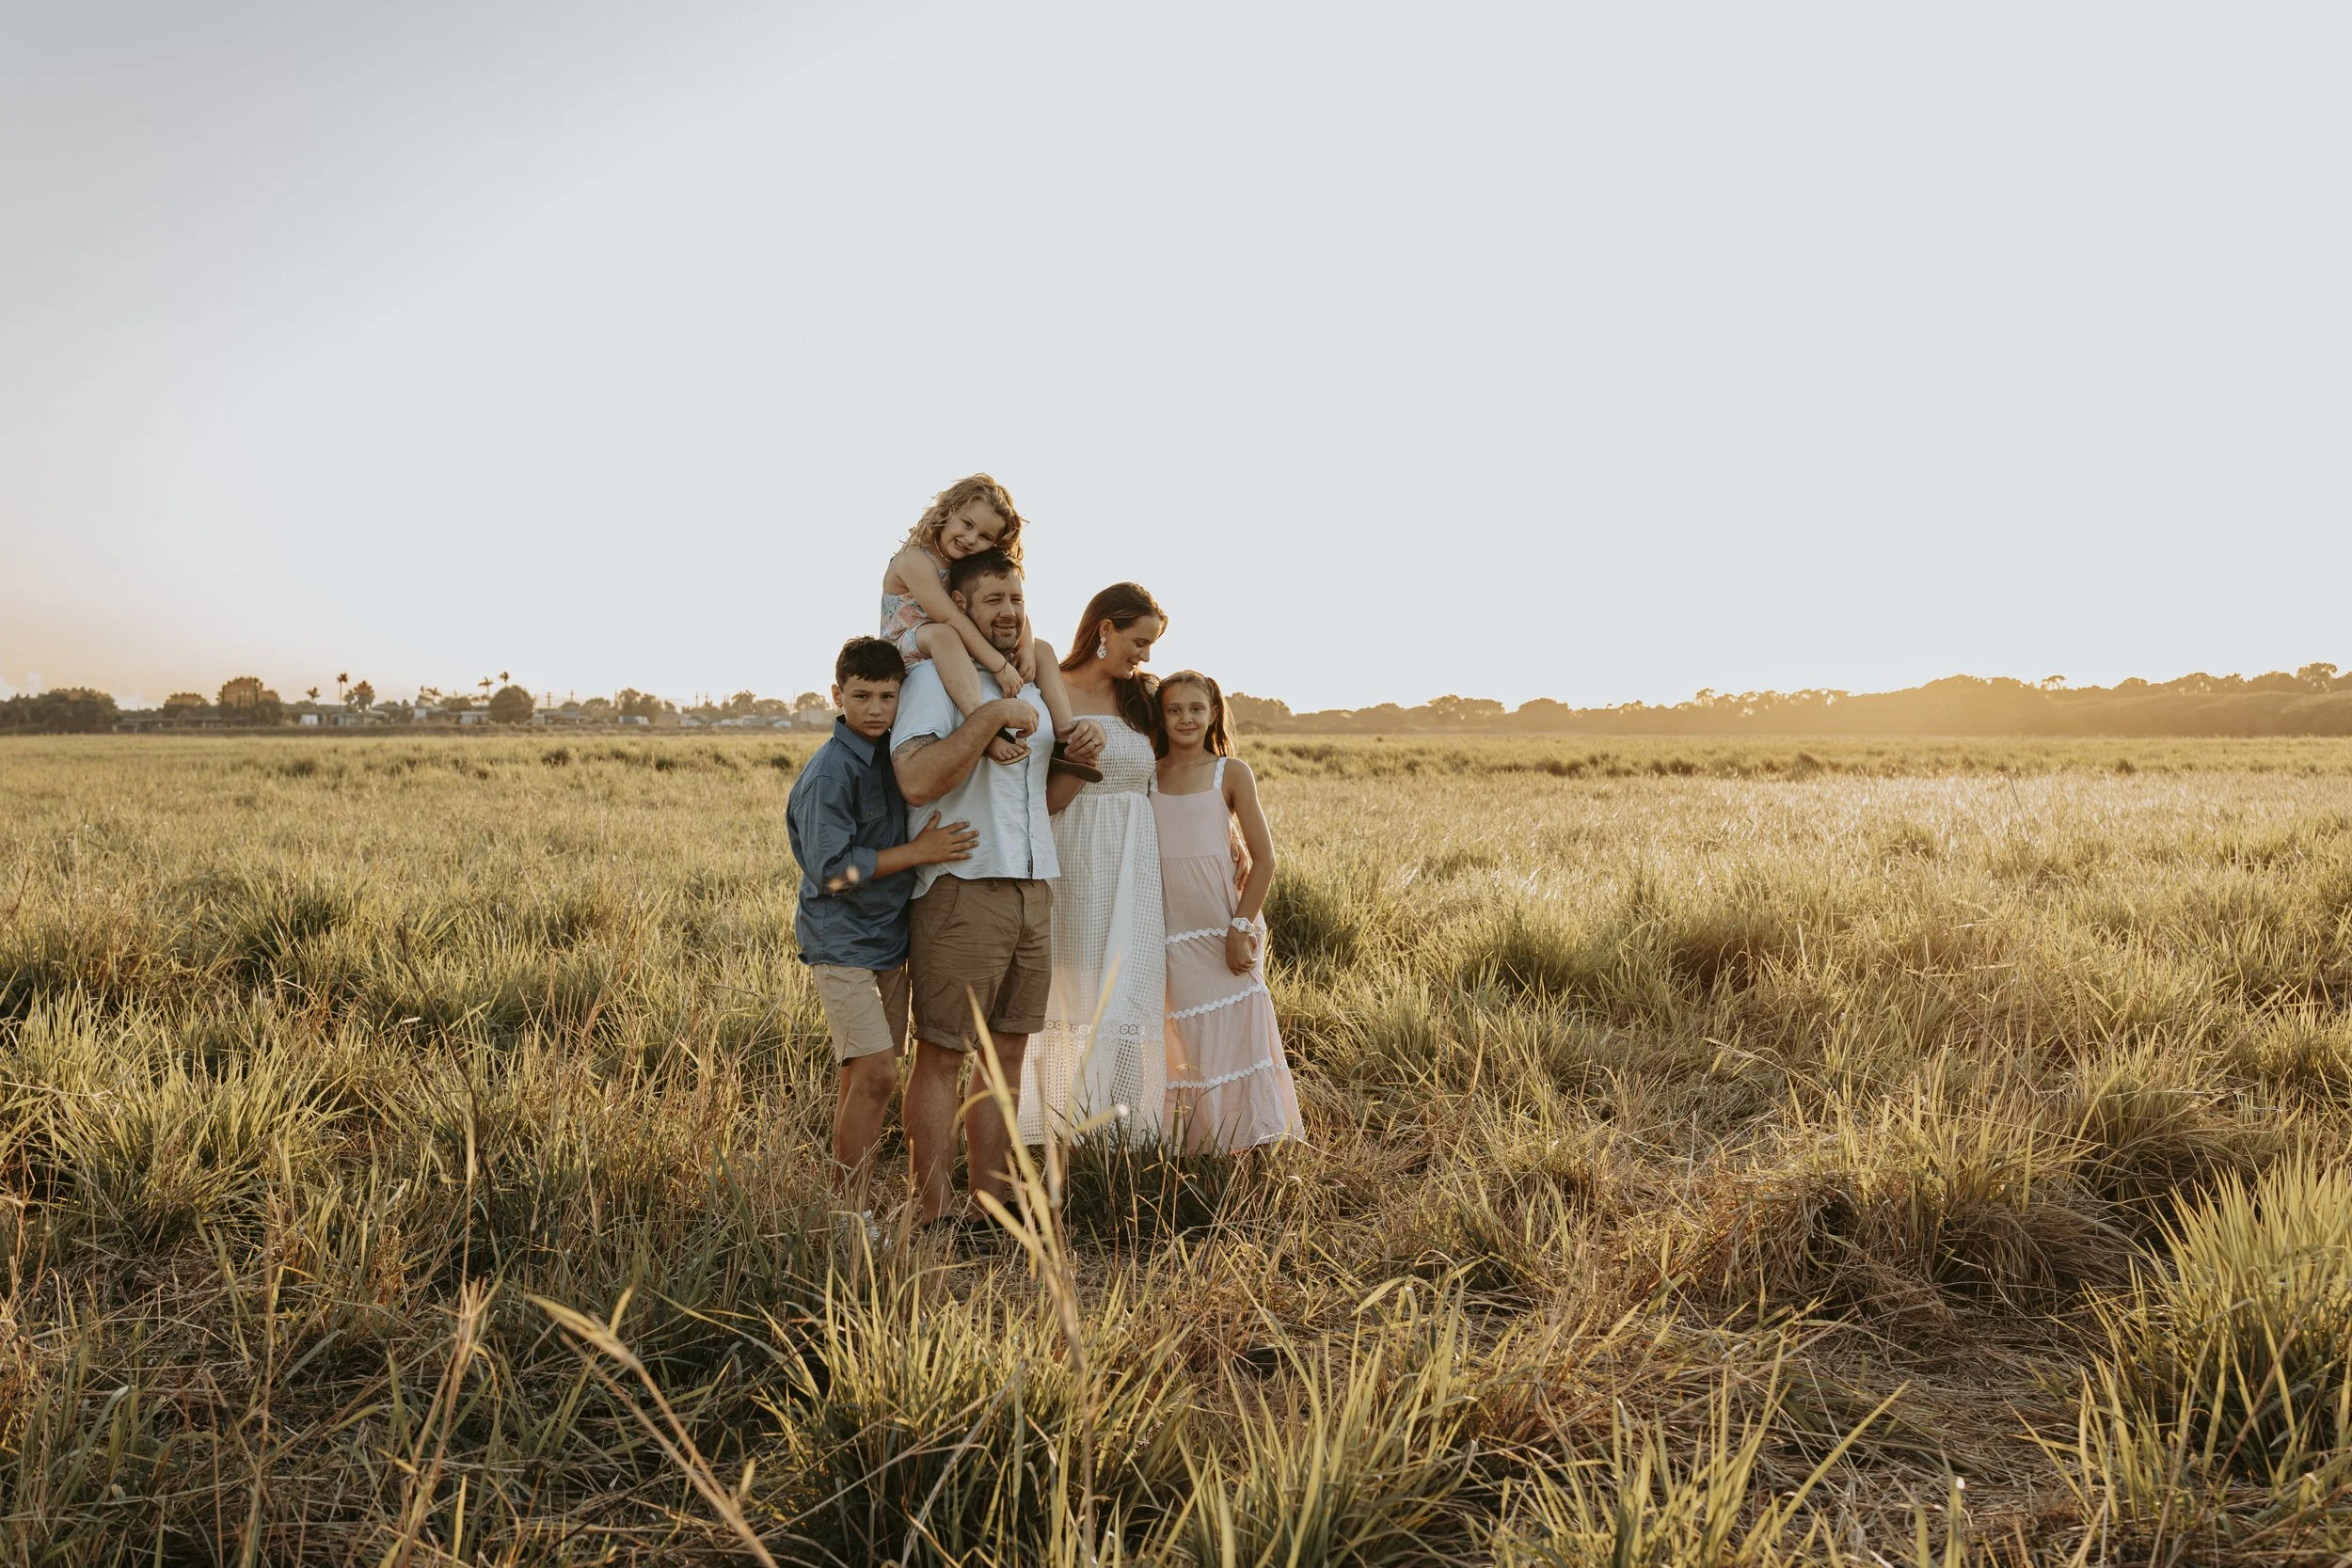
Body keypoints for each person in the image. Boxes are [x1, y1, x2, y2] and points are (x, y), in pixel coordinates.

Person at [890, 547, 1106, 1226]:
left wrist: (1079, 760)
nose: (1009, 612)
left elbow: (1041, 799)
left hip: (1033, 885)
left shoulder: (1036, 684)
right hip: (962, 885)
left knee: (1009, 1051)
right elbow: (916, 779)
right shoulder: (935, 680)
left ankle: (992, 1204)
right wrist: (989, 716)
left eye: (1015, 598)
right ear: (964, 608)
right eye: (993, 601)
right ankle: (930, 1209)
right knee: (944, 1051)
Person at [785, 637, 980, 1229]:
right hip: (840, 940)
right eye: (861, 696)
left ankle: (850, 1204)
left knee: (863, 1074)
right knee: (875, 1074)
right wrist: (917, 852)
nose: (874, 709)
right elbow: (831, 871)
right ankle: (849, 1213)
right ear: (836, 695)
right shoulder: (831, 773)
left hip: (888, 939)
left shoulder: (891, 756)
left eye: (887, 697)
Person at [1022, 584, 1170, 1147]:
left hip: (1136, 867)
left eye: (1152, 645)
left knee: (1128, 993)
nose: (1146, 657)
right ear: (1104, 628)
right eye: (1140, 641)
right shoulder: (1047, 690)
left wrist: (1225, 830)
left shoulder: (1145, 699)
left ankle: (1125, 1140)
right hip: (1070, 859)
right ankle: (1054, 1134)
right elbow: (1040, 797)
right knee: (1069, 994)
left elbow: (1183, 771)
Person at [1152, 671, 1304, 1151]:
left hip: (1223, 930)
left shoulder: (1230, 772)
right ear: (1161, 716)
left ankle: (1252, 1149)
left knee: (1241, 1042)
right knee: (1190, 1046)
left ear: (1214, 713)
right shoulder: (1150, 776)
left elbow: (1265, 858)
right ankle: (1203, 1152)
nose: (1186, 718)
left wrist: (1240, 926)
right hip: (1170, 935)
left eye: (1197, 709)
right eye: (1174, 709)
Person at [880, 473, 1096, 778]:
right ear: (947, 512)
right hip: (909, 642)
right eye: (967, 524)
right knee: (944, 635)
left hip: (955, 642)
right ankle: (984, 728)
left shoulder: (964, 564)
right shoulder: (915, 559)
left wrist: (1027, 649)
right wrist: (999, 666)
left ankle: (1066, 739)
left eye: (984, 537)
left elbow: (1020, 614)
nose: (970, 539)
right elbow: (949, 618)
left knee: (1044, 649)